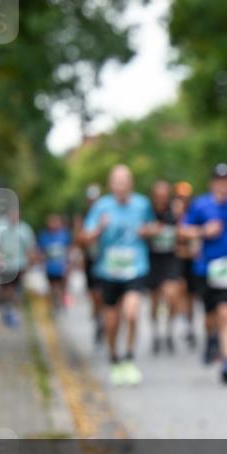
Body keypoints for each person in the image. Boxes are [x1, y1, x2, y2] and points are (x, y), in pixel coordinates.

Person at [81, 165, 155, 386]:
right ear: (111, 184)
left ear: (131, 183)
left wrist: (148, 231)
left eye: (125, 181)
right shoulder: (101, 207)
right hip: (109, 270)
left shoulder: (143, 204)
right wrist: (98, 229)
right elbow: (85, 237)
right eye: (117, 181)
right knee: (112, 322)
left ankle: (129, 357)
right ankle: (114, 357)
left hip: (136, 267)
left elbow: (153, 226)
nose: (121, 185)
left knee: (132, 313)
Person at [182, 163, 227, 384]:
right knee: (210, 316)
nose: (223, 185)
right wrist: (202, 231)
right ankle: (211, 337)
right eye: (219, 181)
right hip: (205, 269)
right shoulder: (201, 205)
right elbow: (183, 230)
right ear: (212, 183)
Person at [146, 180, 185, 354]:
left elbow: (182, 233)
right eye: (158, 194)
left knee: (172, 295)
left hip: (170, 259)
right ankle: (156, 334)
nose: (161, 197)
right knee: (154, 300)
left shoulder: (174, 211)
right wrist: (149, 231)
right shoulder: (147, 212)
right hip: (152, 260)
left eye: (164, 194)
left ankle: (169, 330)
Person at [0, 203, 37, 329]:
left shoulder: (25, 229)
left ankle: (13, 312)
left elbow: (30, 247)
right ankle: (8, 308)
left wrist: (31, 262)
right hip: (4, 265)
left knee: (16, 291)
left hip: (19, 265)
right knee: (6, 290)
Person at [75, 183, 105, 345]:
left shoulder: (107, 213)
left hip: (106, 261)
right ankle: (98, 319)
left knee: (104, 293)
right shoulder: (83, 217)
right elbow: (78, 240)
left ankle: (105, 319)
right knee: (95, 295)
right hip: (91, 260)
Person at [174, 181, 200, 350]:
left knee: (190, 294)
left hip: (191, 260)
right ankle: (182, 319)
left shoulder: (194, 214)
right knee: (178, 290)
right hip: (176, 261)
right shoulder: (173, 214)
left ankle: (189, 323)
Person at [38, 214, 71, 312]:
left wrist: (69, 265)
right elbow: (41, 251)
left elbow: (69, 250)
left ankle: (62, 303)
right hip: (50, 267)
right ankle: (54, 304)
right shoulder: (44, 236)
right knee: (52, 287)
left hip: (62, 267)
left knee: (62, 286)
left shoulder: (65, 235)